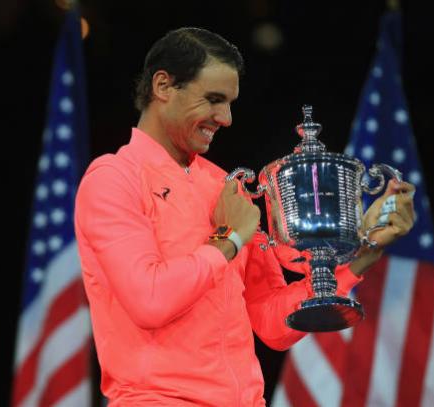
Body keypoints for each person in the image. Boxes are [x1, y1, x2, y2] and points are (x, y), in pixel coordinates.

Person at [74, 27, 416, 406]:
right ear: (163, 86)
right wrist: (229, 239)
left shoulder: (225, 185)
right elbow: (150, 300)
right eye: (213, 100)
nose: (226, 118)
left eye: (230, 103)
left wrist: (364, 253)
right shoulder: (112, 178)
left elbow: (271, 323)